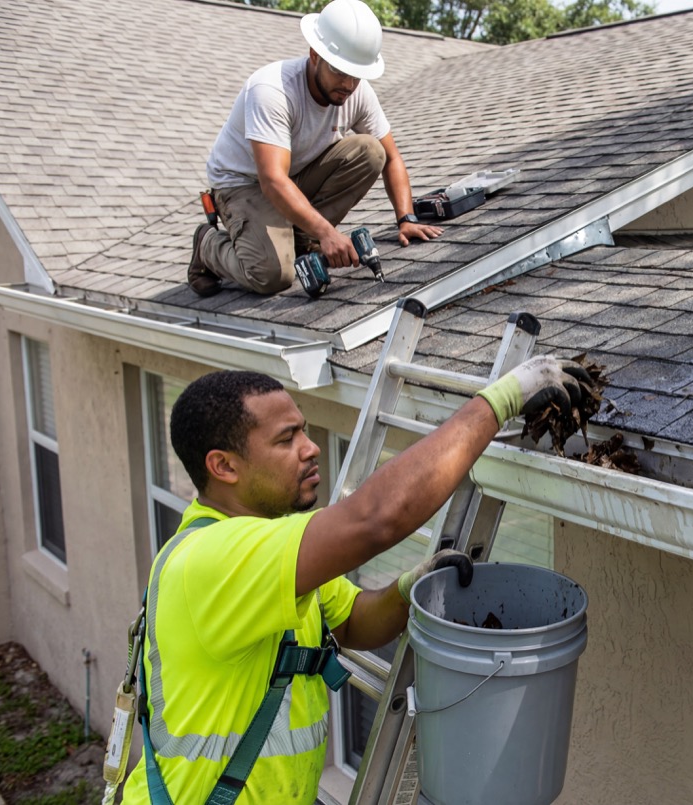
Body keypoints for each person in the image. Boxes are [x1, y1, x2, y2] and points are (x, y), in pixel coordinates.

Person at [119, 355, 592, 803]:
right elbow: (375, 520)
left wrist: (407, 589)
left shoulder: (273, 550)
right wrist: (505, 398)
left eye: (304, 430)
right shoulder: (215, 559)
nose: (310, 449)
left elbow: (353, 625)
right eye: (286, 441)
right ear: (223, 466)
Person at [188, 0, 442, 297]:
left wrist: (406, 218)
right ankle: (207, 244)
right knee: (273, 275)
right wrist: (327, 233)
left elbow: (391, 158)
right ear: (314, 55)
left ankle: (297, 238)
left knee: (371, 151)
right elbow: (271, 181)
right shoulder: (272, 91)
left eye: (356, 74)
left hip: (291, 176)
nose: (348, 84)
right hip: (244, 184)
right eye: (339, 71)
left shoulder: (357, 92)